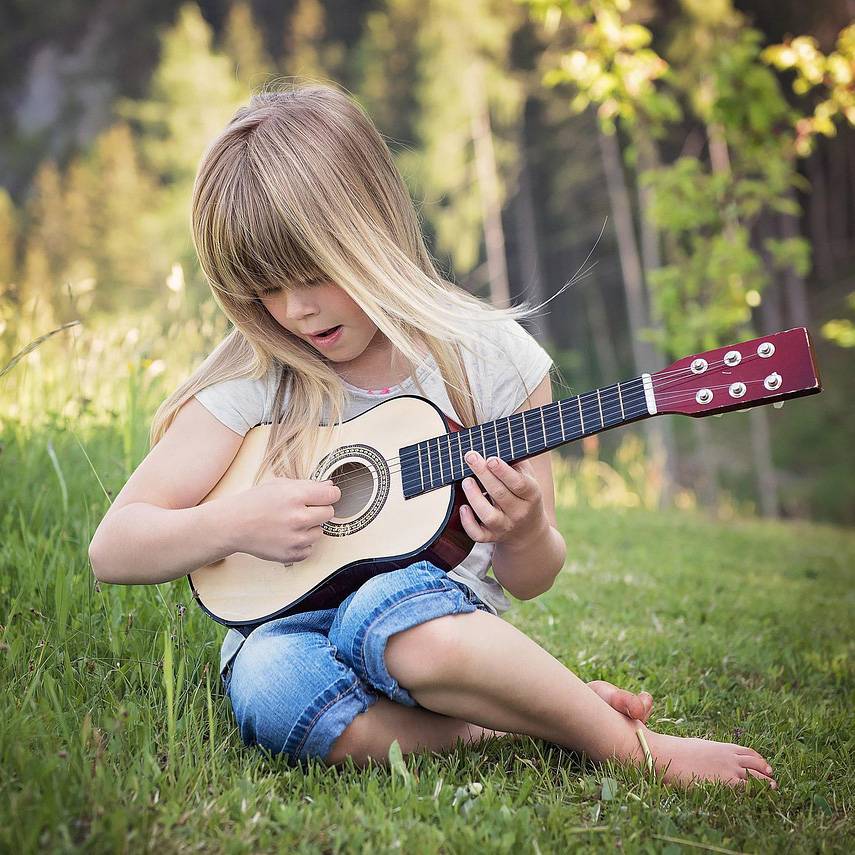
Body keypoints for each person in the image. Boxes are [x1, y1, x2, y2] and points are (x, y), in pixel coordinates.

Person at [88, 82, 776, 788]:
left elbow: (530, 577)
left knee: (386, 611)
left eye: (314, 273)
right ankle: (511, 717)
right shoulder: (257, 376)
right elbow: (114, 546)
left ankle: (631, 746)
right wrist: (231, 522)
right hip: (286, 626)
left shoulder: (488, 358)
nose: (295, 309)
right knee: (265, 685)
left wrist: (524, 530)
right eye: (265, 288)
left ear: (373, 227)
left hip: (433, 628)